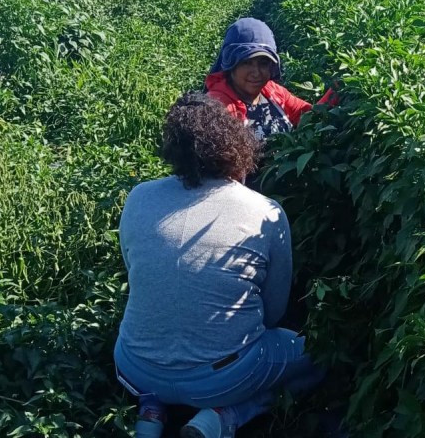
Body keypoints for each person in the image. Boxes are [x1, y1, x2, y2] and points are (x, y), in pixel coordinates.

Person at [113, 93, 324, 438]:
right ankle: (226, 415)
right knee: (316, 355)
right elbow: (273, 312)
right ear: (236, 144)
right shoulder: (264, 211)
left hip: (134, 367)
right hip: (225, 377)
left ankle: (152, 409)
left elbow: (138, 277)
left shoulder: (139, 196)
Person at [205, 17, 336, 142]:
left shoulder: (272, 91)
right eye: (246, 63)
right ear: (231, 64)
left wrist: (339, 88)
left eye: (263, 63)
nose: (256, 73)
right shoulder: (217, 107)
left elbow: (310, 117)